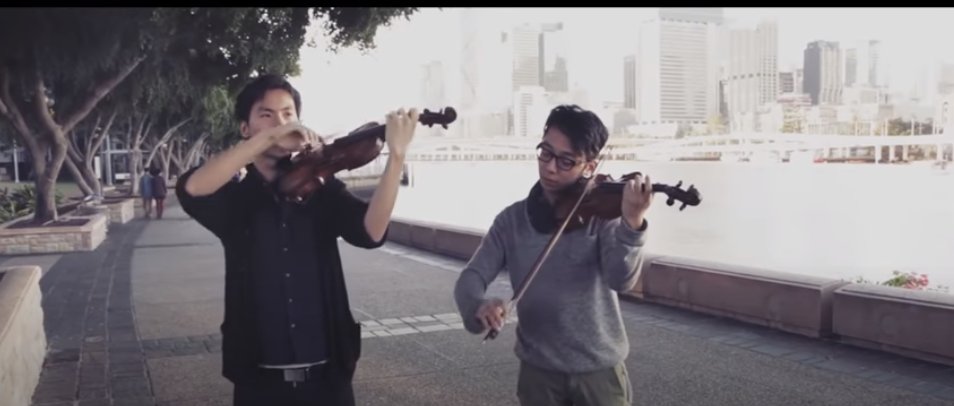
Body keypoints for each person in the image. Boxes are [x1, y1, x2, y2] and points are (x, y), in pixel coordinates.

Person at [175, 73, 417, 406]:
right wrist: (270, 137)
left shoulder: (322, 189)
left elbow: (371, 233)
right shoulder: (235, 199)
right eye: (267, 114)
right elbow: (191, 189)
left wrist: (397, 158)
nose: (281, 123)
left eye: (288, 114)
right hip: (258, 384)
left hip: (328, 380)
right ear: (245, 128)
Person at [453, 105, 653, 406]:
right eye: (545, 153)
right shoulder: (512, 220)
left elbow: (621, 280)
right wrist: (478, 305)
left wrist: (633, 223)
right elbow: (472, 276)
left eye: (566, 161)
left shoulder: (603, 214)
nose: (550, 167)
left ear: (589, 166)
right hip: (538, 373)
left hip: (599, 371)